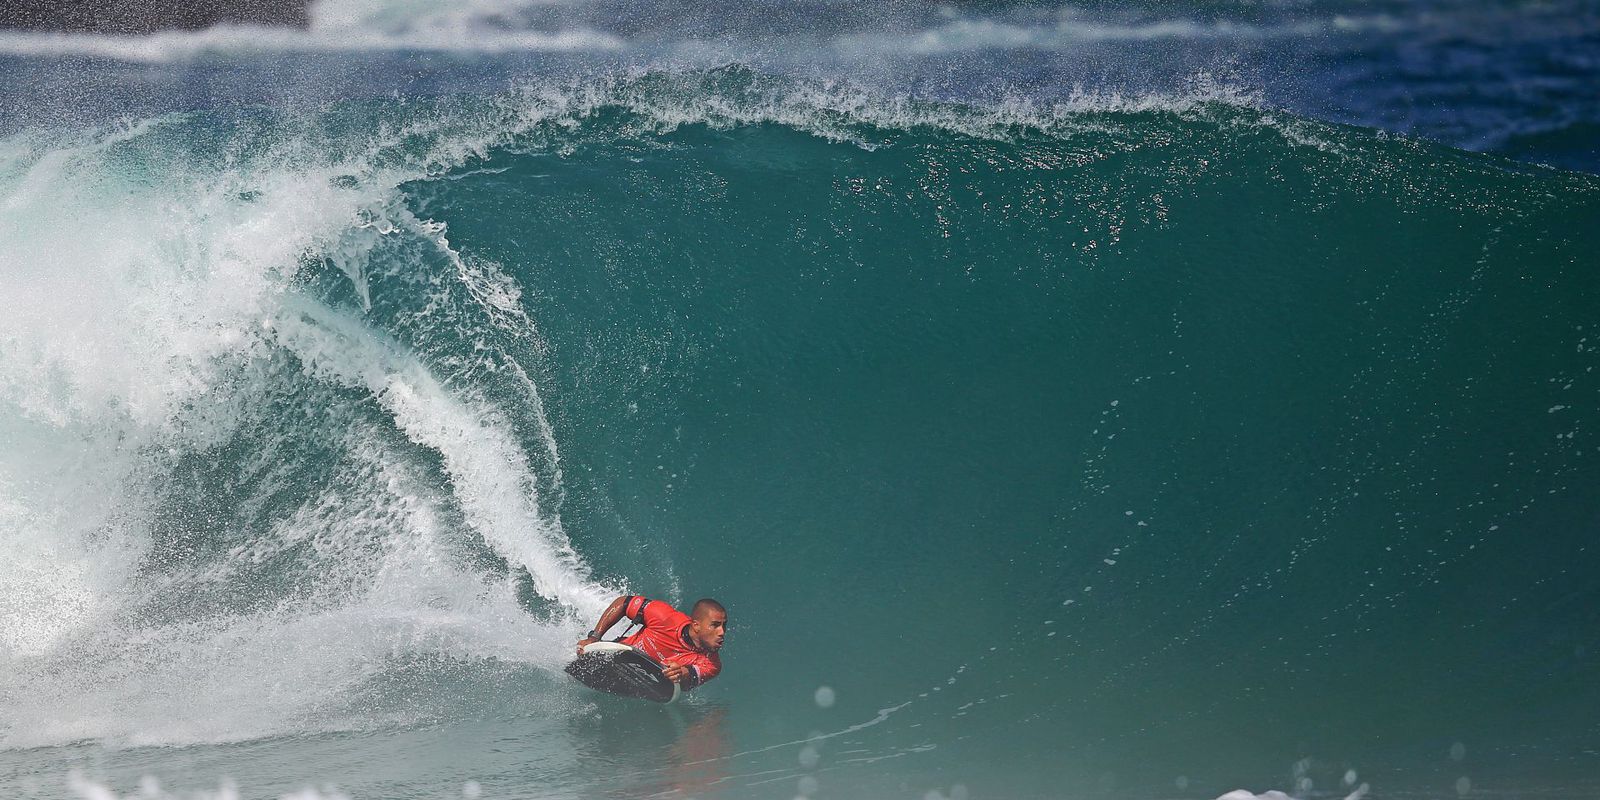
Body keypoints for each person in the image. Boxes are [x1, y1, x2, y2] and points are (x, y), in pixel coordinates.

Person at [578, 595, 726, 689]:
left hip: (647, 683)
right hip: (616, 655)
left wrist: (681, 673)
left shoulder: (712, 664)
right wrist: (594, 638)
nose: (722, 632)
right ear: (696, 626)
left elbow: (690, 675)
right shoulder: (665, 618)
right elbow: (624, 603)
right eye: (715, 625)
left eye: (724, 626)